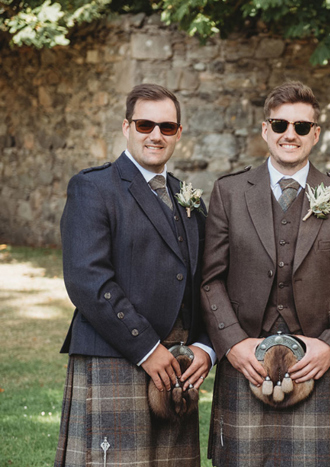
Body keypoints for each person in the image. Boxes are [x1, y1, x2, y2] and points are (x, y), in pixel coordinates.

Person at [201, 81, 330, 466]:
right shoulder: (229, 192)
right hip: (246, 363)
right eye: (280, 125)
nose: (289, 135)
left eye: (300, 127)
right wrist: (233, 344)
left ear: (315, 134)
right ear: (266, 130)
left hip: (318, 362)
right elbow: (210, 279)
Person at [55, 83, 214, 466]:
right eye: (145, 125)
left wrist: (206, 348)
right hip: (115, 358)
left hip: (177, 367)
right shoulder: (93, 187)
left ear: (179, 133)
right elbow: (87, 279)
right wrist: (146, 349)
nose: (156, 135)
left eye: (167, 127)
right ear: (126, 127)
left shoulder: (186, 196)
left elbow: (208, 282)